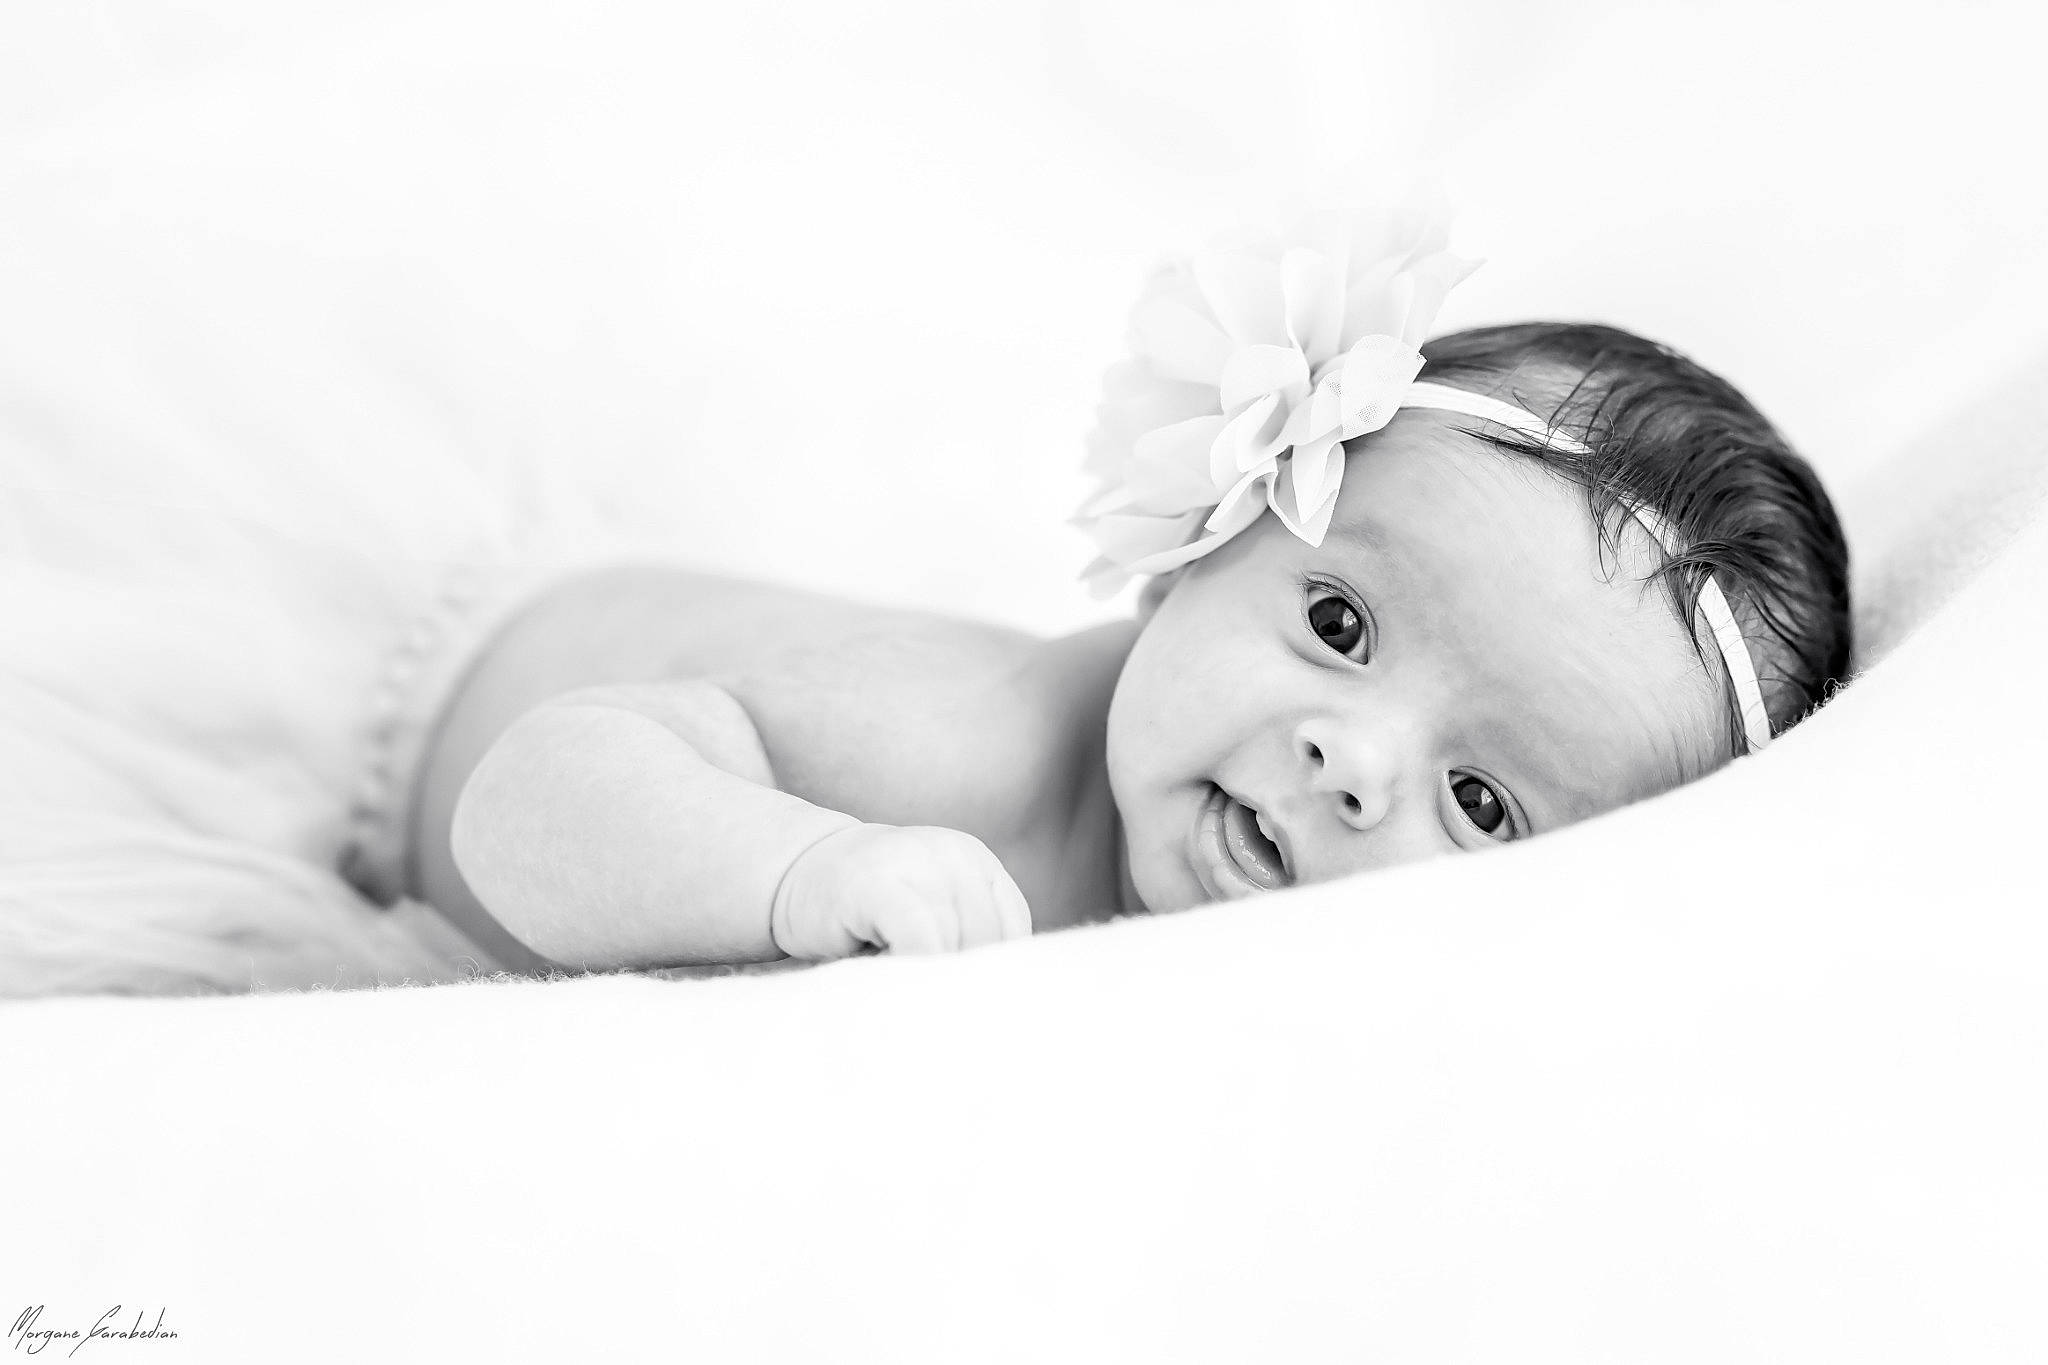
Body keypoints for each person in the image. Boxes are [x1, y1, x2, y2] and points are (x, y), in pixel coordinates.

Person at [414, 213, 1852, 975]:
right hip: (431, 717)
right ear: (1199, 541)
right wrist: (795, 877)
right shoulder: (949, 741)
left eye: (1482, 802)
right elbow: (522, 799)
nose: (1352, 764)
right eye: (1338, 625)